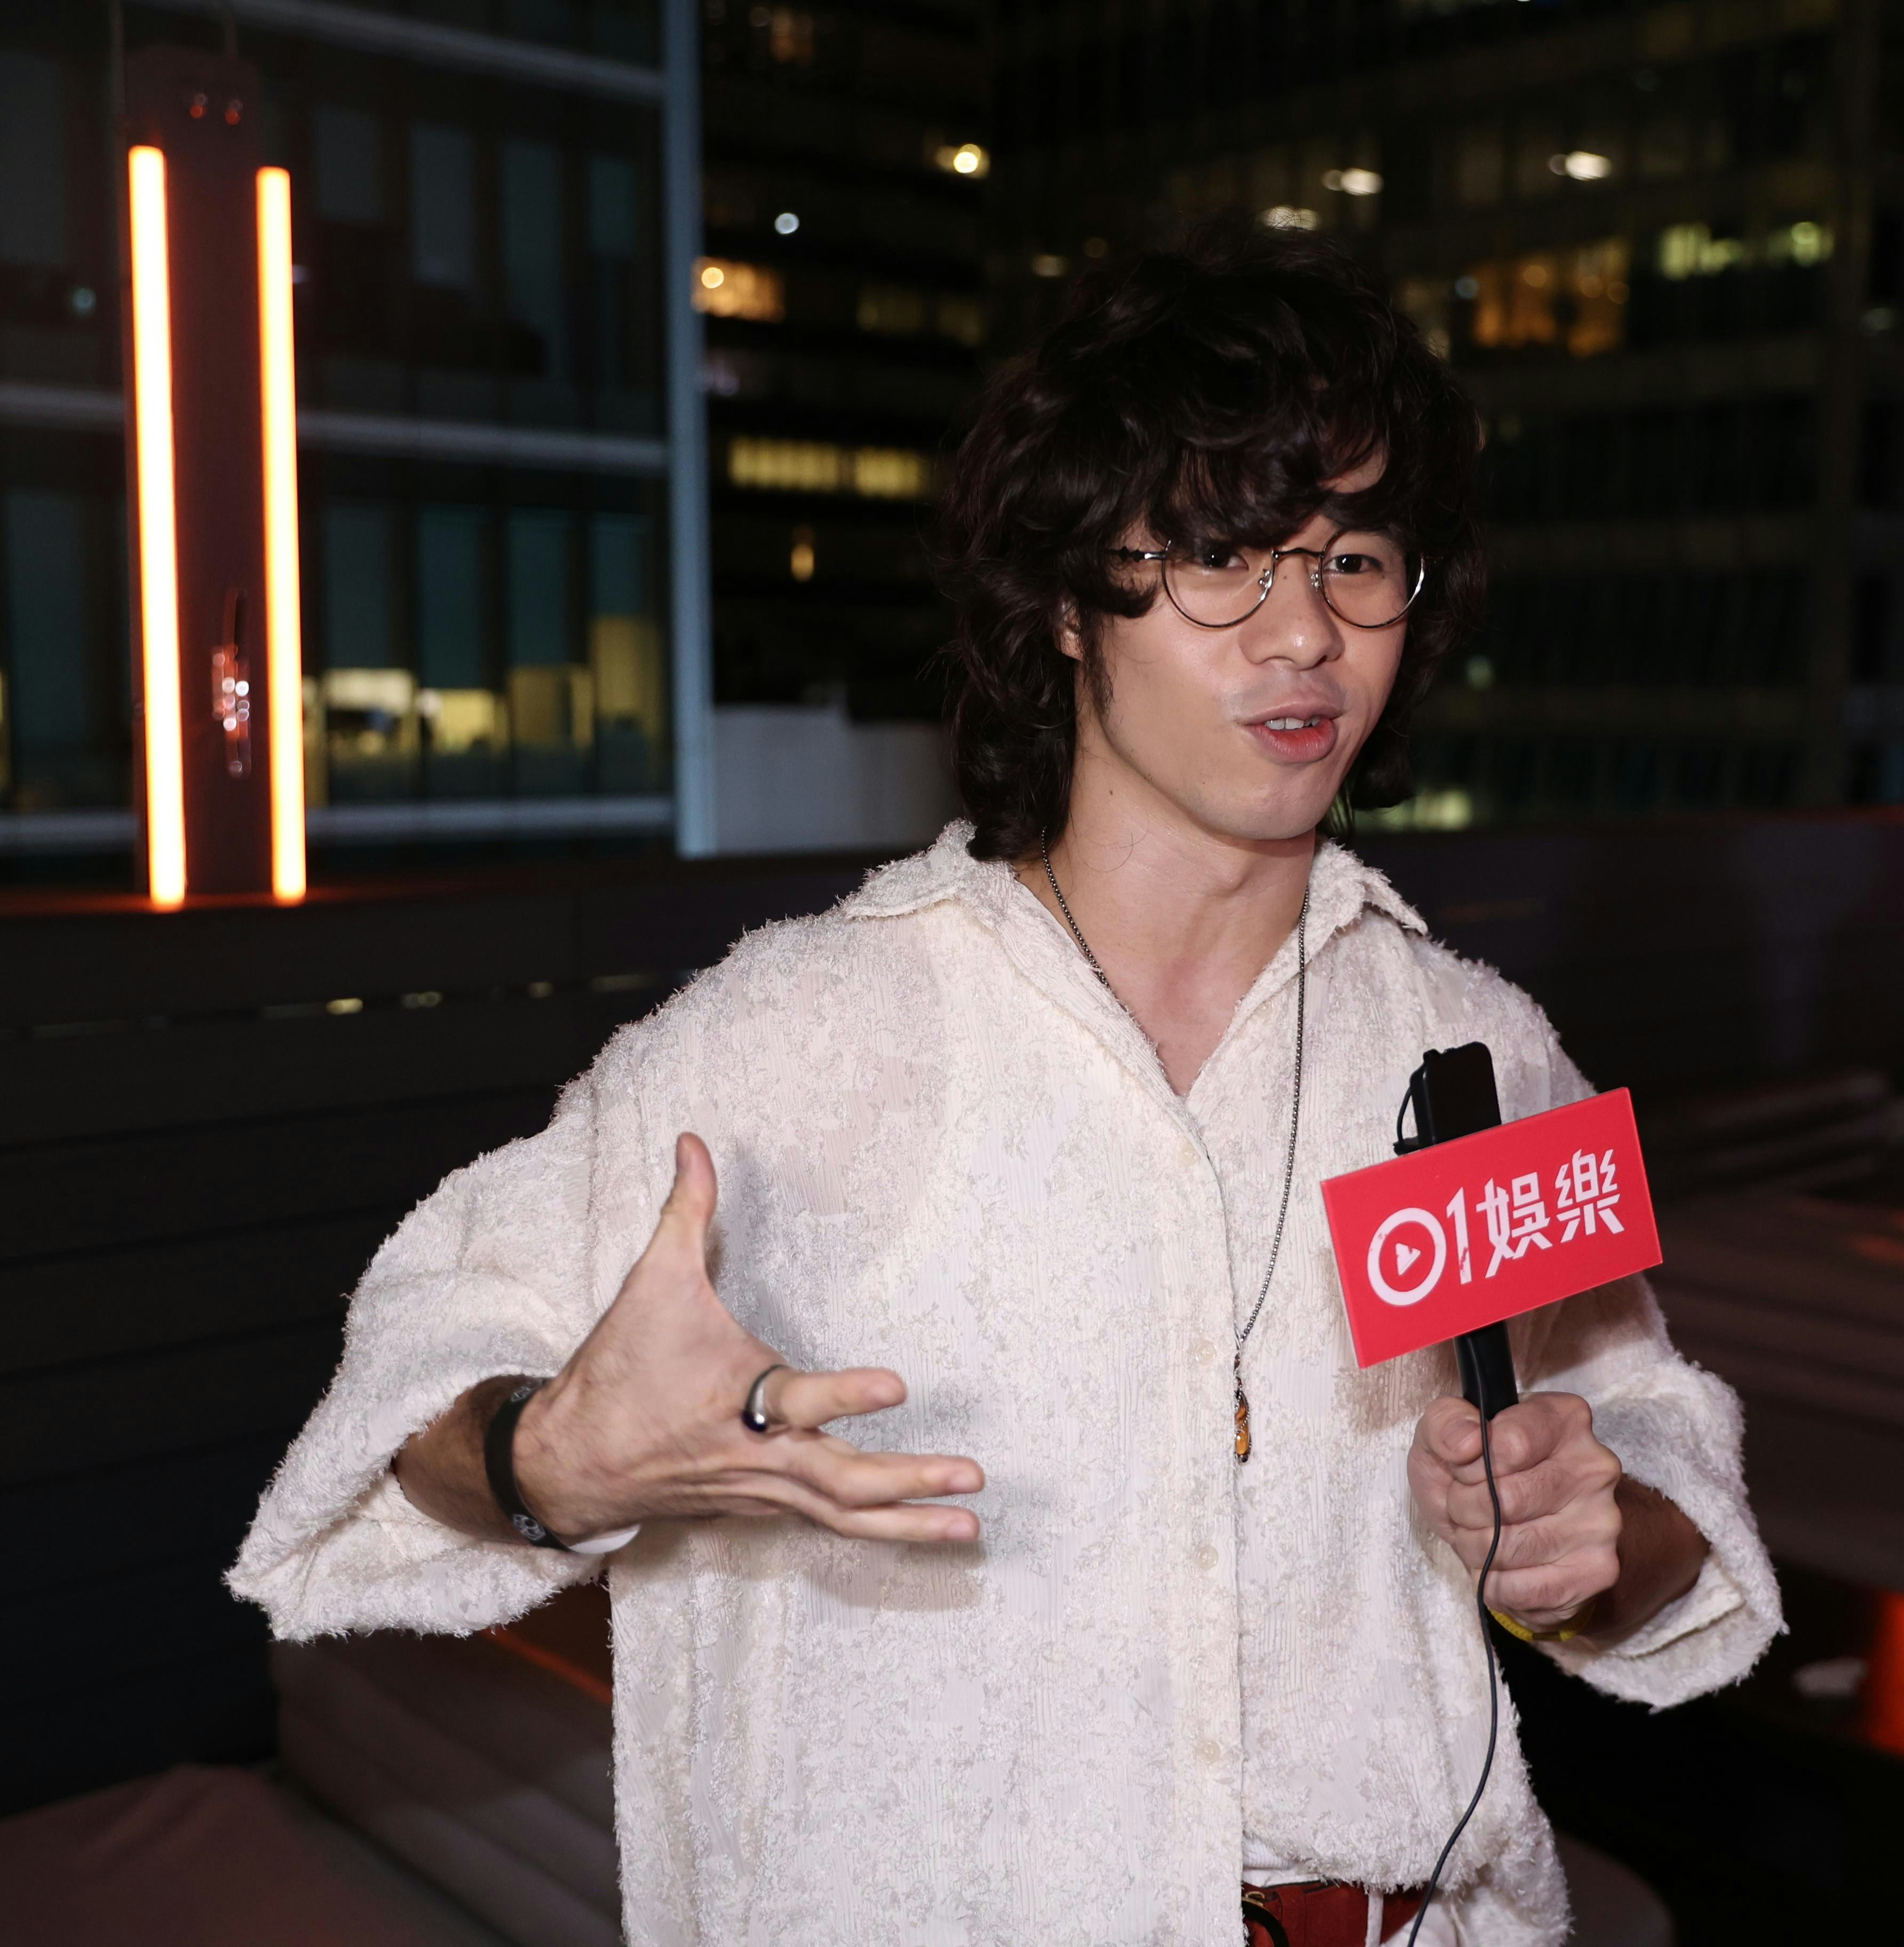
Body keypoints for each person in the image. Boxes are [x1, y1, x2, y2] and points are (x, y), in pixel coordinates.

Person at [230, 226, 1778, 1945]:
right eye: (1217, 554)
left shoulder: (1471, 1055)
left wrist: (1594, 1536)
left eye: (1356, 557)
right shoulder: (799, 1032)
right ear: (1064, 601)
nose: (1304, 633)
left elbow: (1651, 1454)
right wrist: (552, 1464)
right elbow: (406, 1393)